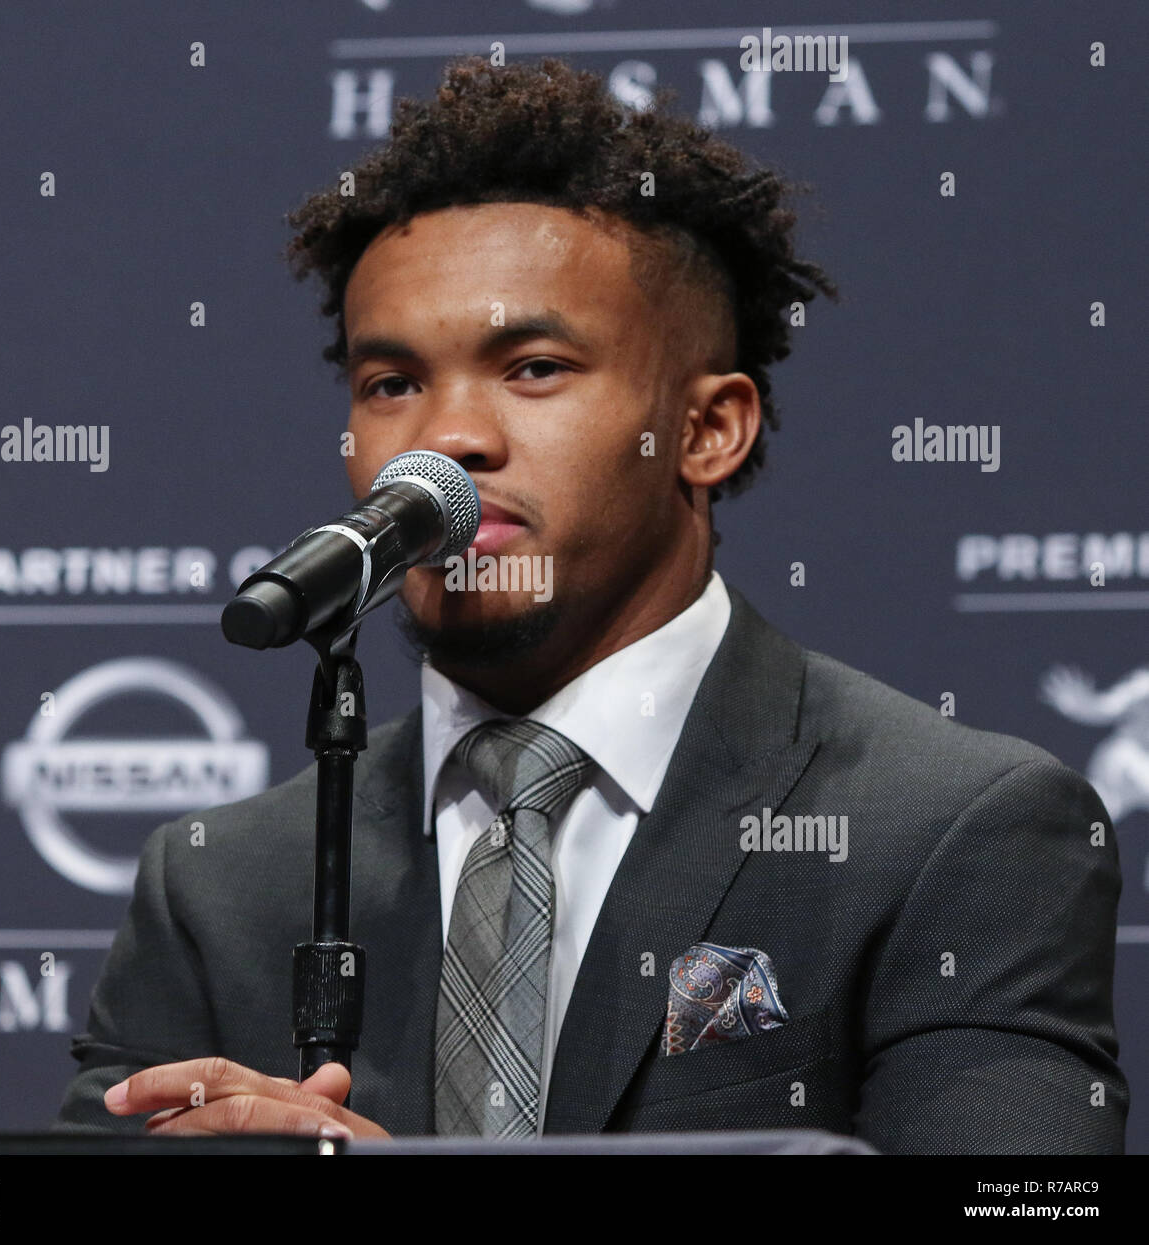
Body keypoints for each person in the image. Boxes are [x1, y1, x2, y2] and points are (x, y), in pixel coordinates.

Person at [55, 58, 1127, 1152]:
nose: (448, 437)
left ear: (708, 430)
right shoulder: (220, 883)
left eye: (532, 368)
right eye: (391, 384)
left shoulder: (951, 831)